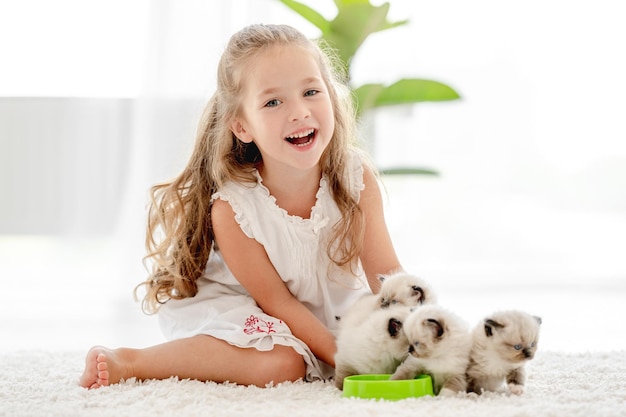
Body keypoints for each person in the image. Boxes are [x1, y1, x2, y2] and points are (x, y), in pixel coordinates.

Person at [79, 23, 402, 389]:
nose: (299, 112)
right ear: (242, 126)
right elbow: (277, 304)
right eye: (273, 102)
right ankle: (133, 361)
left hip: (318, 312)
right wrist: (344, 356)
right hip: (245, 307)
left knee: (330, 349)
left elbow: (387, 278)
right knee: (284, 365)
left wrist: (415, 340)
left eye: (311, 91)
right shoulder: (234, 208)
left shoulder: (354, 177)